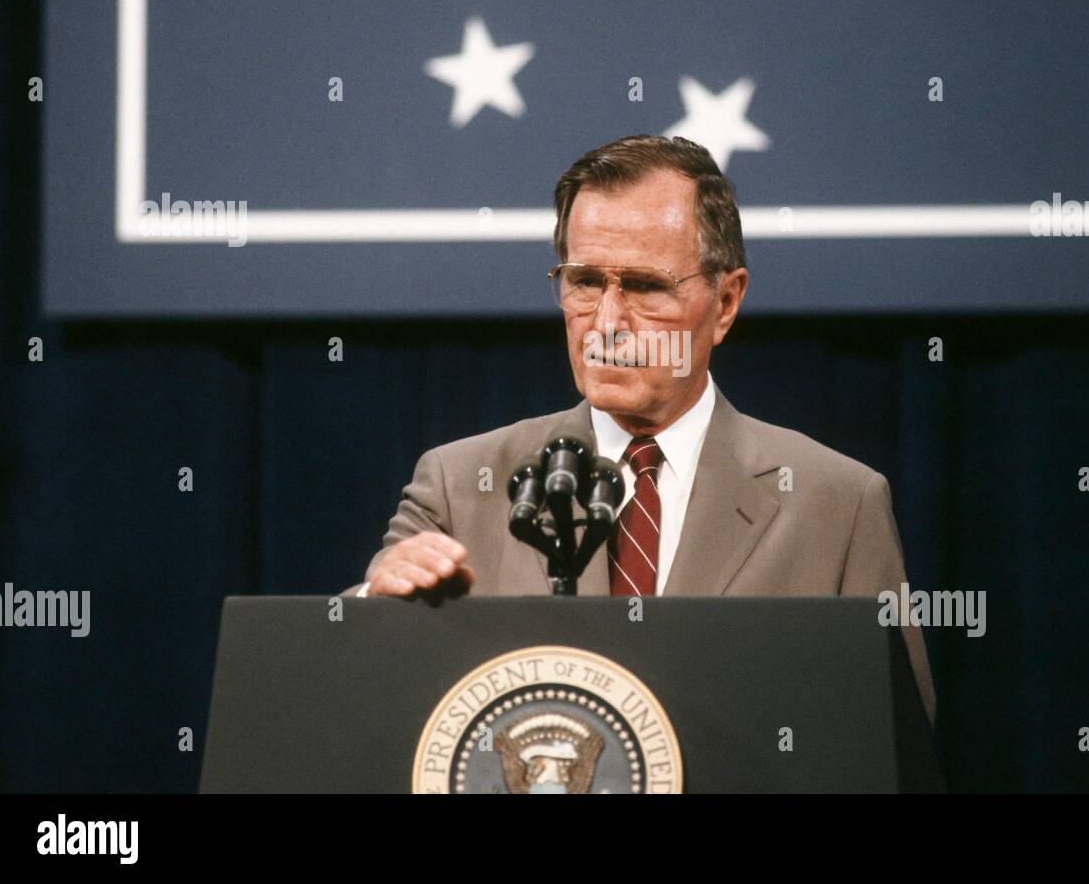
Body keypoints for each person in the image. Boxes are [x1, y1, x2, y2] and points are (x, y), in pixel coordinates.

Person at [348, 134, 936, 724]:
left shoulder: (836, 505)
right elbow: (365, 704)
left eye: (646, 286)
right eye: (584, 282)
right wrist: (377, 609)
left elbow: (891, 749)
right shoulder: (459, 485)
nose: (606, 323)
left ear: (726, 301)